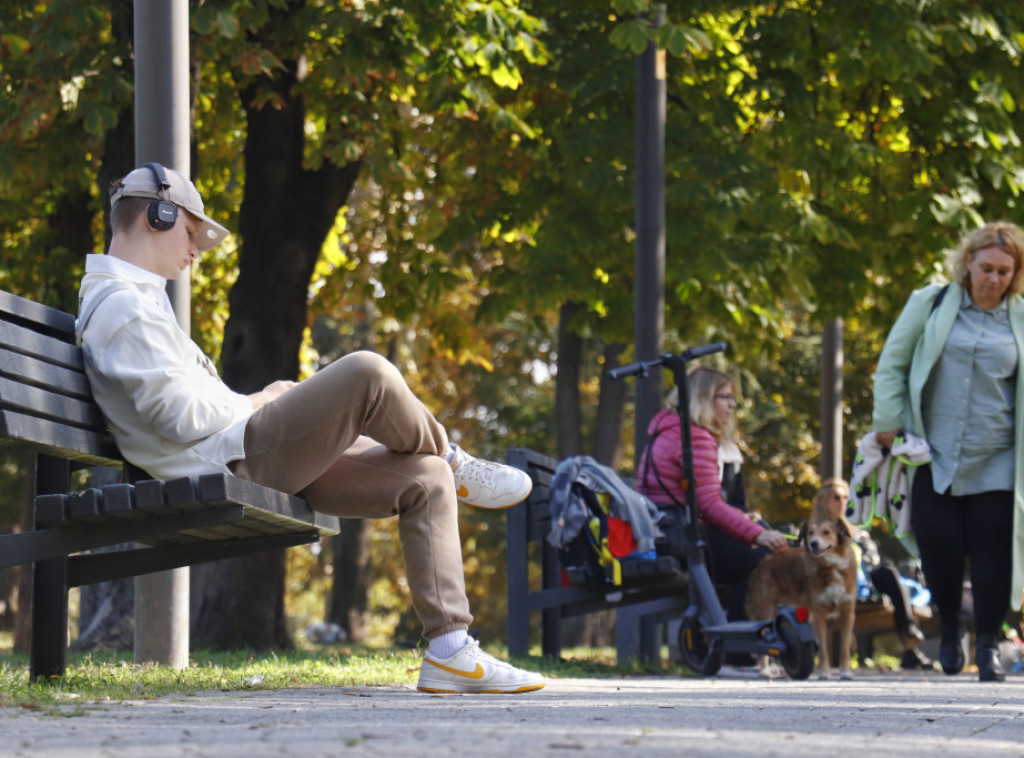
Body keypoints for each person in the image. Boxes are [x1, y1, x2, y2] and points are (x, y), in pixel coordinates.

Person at [76, 163, 545, 694]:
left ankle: (450, 651)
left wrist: (263, 401)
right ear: (157, 217)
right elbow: (177, 416)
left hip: (234, 455)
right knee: (367, 372)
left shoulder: (135, 301)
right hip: (227, 464)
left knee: (426, 476)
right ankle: (459, 459)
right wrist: (258, 402)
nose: (195, 251)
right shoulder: (123, 307)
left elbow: (181, 408)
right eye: (190, 232)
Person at [873, 220, 1024, 682]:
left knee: (992, 551)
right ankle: (952, 626)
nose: (994, 278)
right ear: (968, 263)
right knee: (940, 545)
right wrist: (888, 424)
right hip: (930, 454)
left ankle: (989, 643)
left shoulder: (1020, 317)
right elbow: (892, 364)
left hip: (997, 456)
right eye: (987, 268)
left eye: (1005, 270)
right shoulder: (931, 303)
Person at [637, 366, 788, 674]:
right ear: (704, 398)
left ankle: (736, 647)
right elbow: (708, 504)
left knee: (752, 550)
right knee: (762, 559)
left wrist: (741, 521)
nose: (733, 405)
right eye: (726, 397)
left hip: (666, 533)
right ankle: (736, 654)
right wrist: (756, 534)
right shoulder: (695, 437)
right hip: (684, 541)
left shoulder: (666, 430)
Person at [813, 478, 933, 670]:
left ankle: (909, 634)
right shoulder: (814, 532)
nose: (842, 502)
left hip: (864, 579)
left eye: (845, 497)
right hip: (834, 582)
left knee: (887, 571)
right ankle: (910, 647)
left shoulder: (856, 529)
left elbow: (872, 558)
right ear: (823, 501)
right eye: (836, 498)